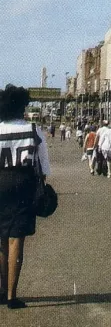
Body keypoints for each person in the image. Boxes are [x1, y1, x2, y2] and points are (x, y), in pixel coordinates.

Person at [0, 84, 52, 309]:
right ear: (23, 106)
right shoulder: (34, 130)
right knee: (15, 240)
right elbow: (44, 167)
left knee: (0, 241)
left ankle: (1, 291)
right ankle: (12, 296)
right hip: (23, 186)